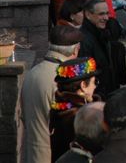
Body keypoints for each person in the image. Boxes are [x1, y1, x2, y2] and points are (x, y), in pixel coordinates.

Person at [19, 26, 82, 163]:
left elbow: (23, 115)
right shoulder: (63, 80)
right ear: (76, 49)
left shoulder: (33, 72)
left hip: (31, 153)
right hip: (52, 154)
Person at [49, 57, 101, 161]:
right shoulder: (81, 116)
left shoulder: (59, 108)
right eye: (95, 82)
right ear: (83, 86)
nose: (95, 87)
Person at [78, 0, 125, 97]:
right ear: (88, 15)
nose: (106, 18)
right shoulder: (84, 40)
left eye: (107, 13)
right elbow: (85, 75)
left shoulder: (102, 33)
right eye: (101, 14)